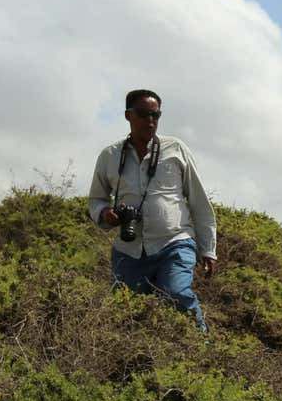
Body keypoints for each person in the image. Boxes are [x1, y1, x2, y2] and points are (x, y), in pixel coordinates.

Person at [87, 88, 218, 330]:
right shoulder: (109, 156)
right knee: (125, 314)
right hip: (129, 249)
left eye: (156, 115)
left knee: (177, 294)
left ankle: (203, 351)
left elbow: (199, 201)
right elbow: (96, 199)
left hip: (175, 242)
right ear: (128, 115)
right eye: (144, 114)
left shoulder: (176, 149)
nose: (151, 120)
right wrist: (106, 214)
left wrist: (208, 249)